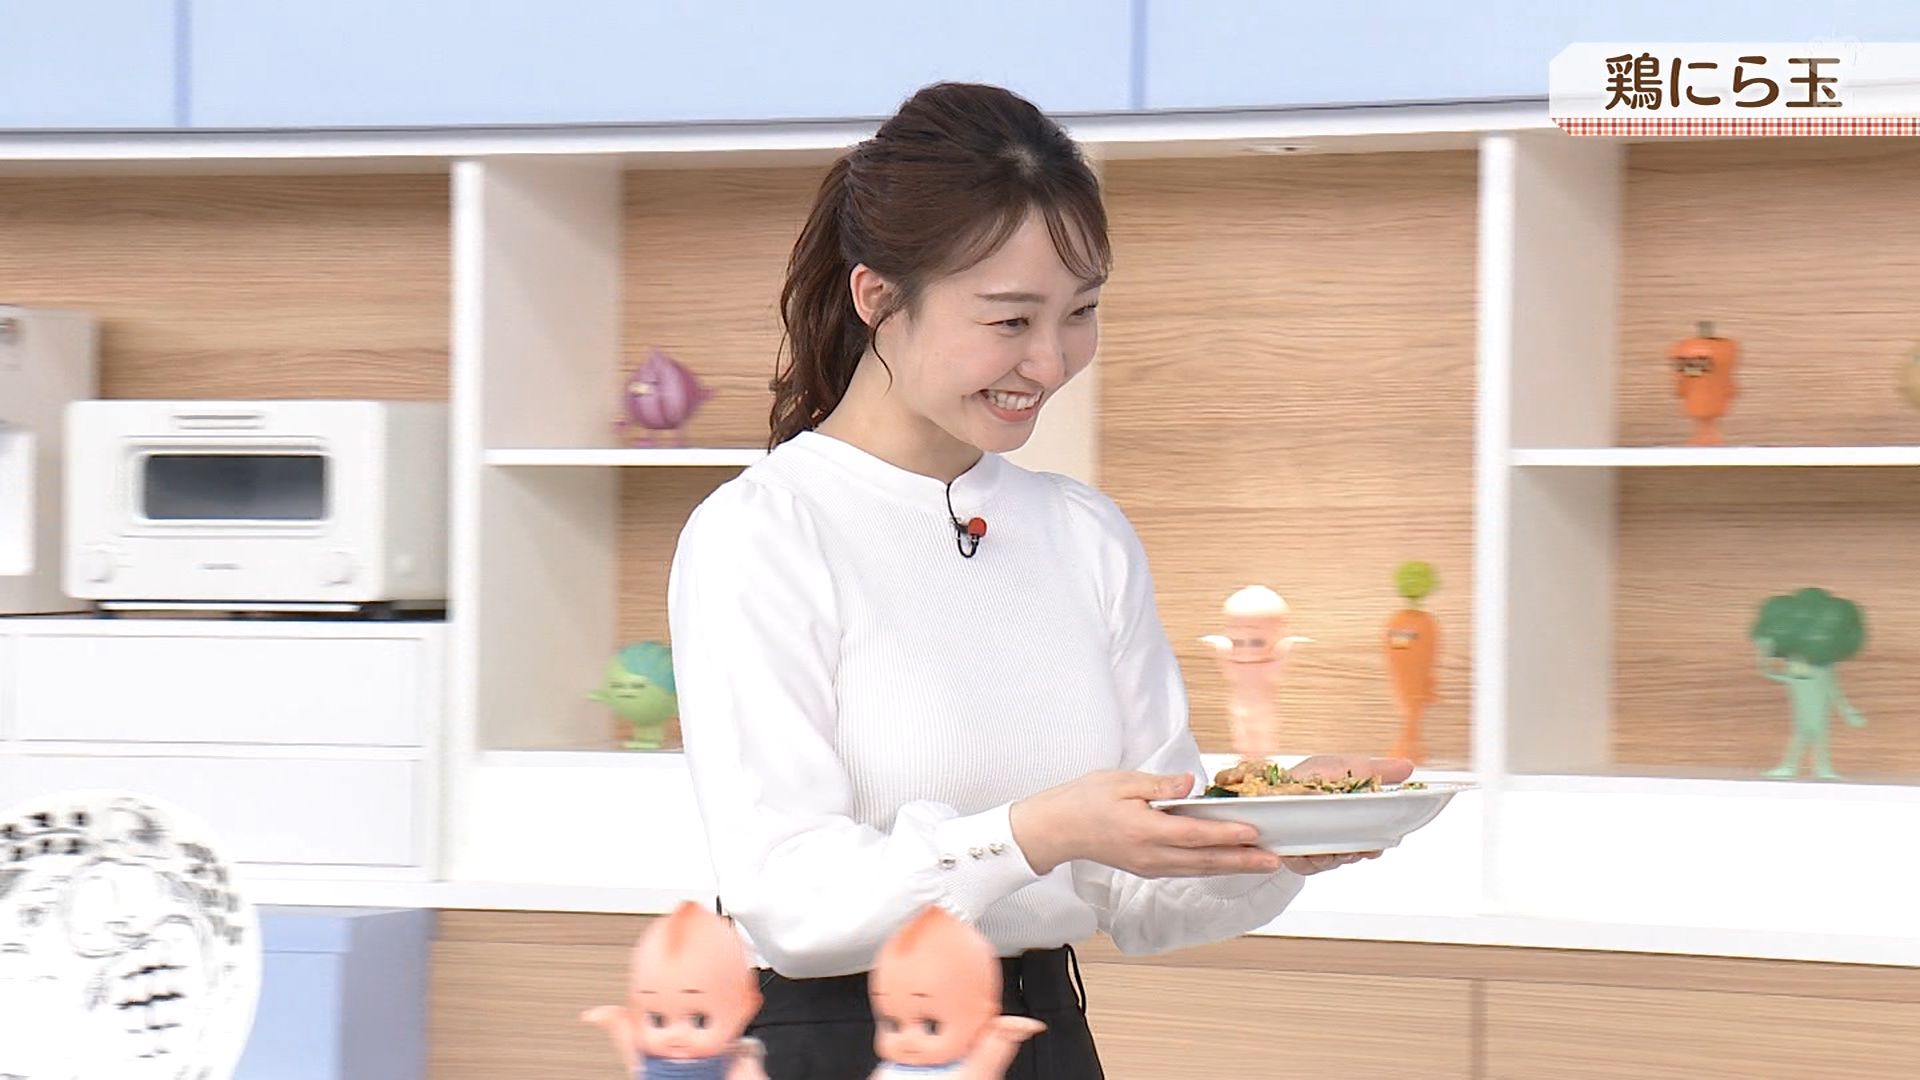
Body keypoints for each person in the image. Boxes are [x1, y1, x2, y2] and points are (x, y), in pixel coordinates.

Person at [666, 80, 1413, 1080]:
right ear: (876, 296)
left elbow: (1140, 900)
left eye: (1081, 312)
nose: (1052, 362)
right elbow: (794, 907)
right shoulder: (764, 531)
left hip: (1043, 1035)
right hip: (845, 1043)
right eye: (1011, 319)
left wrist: (1276, 840)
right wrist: (1037, 833)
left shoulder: (1084, 533)